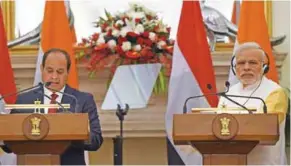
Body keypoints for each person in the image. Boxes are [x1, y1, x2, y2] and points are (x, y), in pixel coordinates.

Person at [1, 48, 103, 165]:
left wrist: (74, 132)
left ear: (68, 72)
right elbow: (8, 145)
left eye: (60, 72)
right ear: (41, 69)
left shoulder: (82, 100)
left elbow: (96, 141)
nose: (54, 76)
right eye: (49, 71)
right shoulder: (24, 99)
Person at [218, 42, 288, 165]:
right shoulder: (229, 93)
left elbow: (265, 126)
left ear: (264, 67)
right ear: (235, 68)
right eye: (241, 63)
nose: (246, 67)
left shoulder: (274, 92)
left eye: (252, 63)